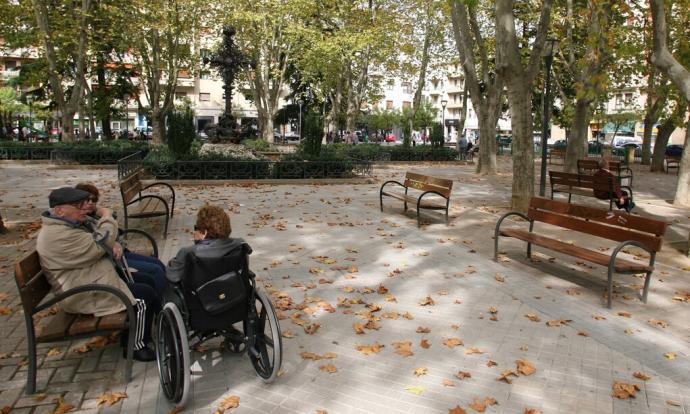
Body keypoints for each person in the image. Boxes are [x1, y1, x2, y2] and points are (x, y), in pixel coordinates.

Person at [36, 187, 158, 361]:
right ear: (59, 210)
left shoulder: (66, 224)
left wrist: (112, 242)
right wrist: (107, 215)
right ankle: (135, 347)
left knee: (147, 280)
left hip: (91, 279)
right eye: (78, 205)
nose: (85, 207)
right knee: (145, 297)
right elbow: (102, 241)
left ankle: (151, 328)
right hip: (82, 293)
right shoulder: (58, 235)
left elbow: (102, 239)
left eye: (85, 202)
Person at [75, 183, 167, 299]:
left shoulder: (94, 215)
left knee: (157, 264)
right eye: (85, 200)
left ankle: (164, 300)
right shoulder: (82, 221)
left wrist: (115, 241)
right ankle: (162, 307)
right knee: (155, 271)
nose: (90, 203)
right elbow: (99, 242)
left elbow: (114, 233)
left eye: (93, 200)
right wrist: (106, 216)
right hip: (111, 260)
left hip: (120, 253)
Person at [168, 204, 246, 283]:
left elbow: (173, 277)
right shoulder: (239, 244)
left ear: (204, 232)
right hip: (233, 290)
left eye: (197, 228)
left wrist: (198, 243)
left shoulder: (188, 252)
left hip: (199, 293)